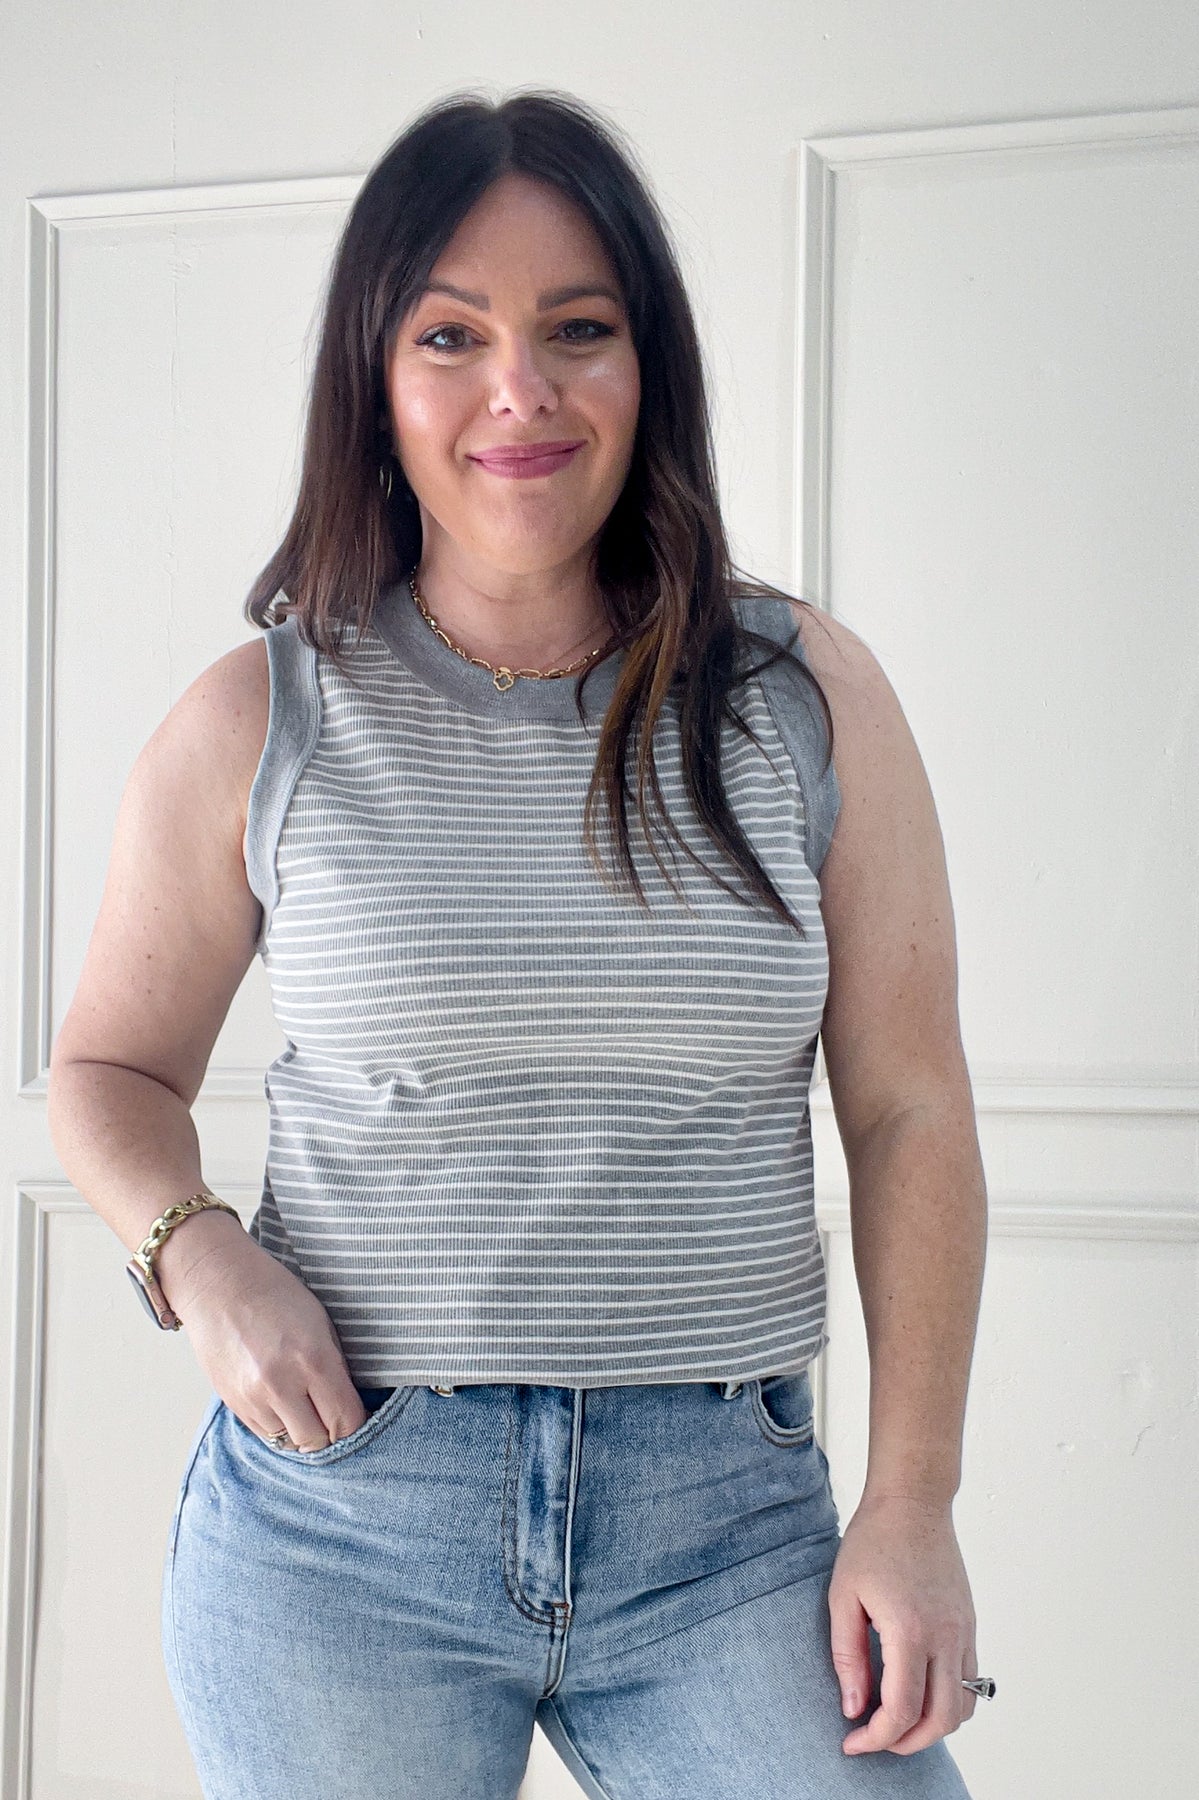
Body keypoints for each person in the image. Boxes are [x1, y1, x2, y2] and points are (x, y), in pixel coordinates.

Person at [47, 88, 990, 1800]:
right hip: (346, 1529)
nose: (520, 391)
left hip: (733, 1531)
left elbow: (910, 1105)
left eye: (578, 329)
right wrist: (200, 1257)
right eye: (451, 335)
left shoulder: (804, 698)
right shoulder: (260, 720)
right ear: (376, 381)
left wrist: (912, 1501)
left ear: (649, 367)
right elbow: (105, 1071)